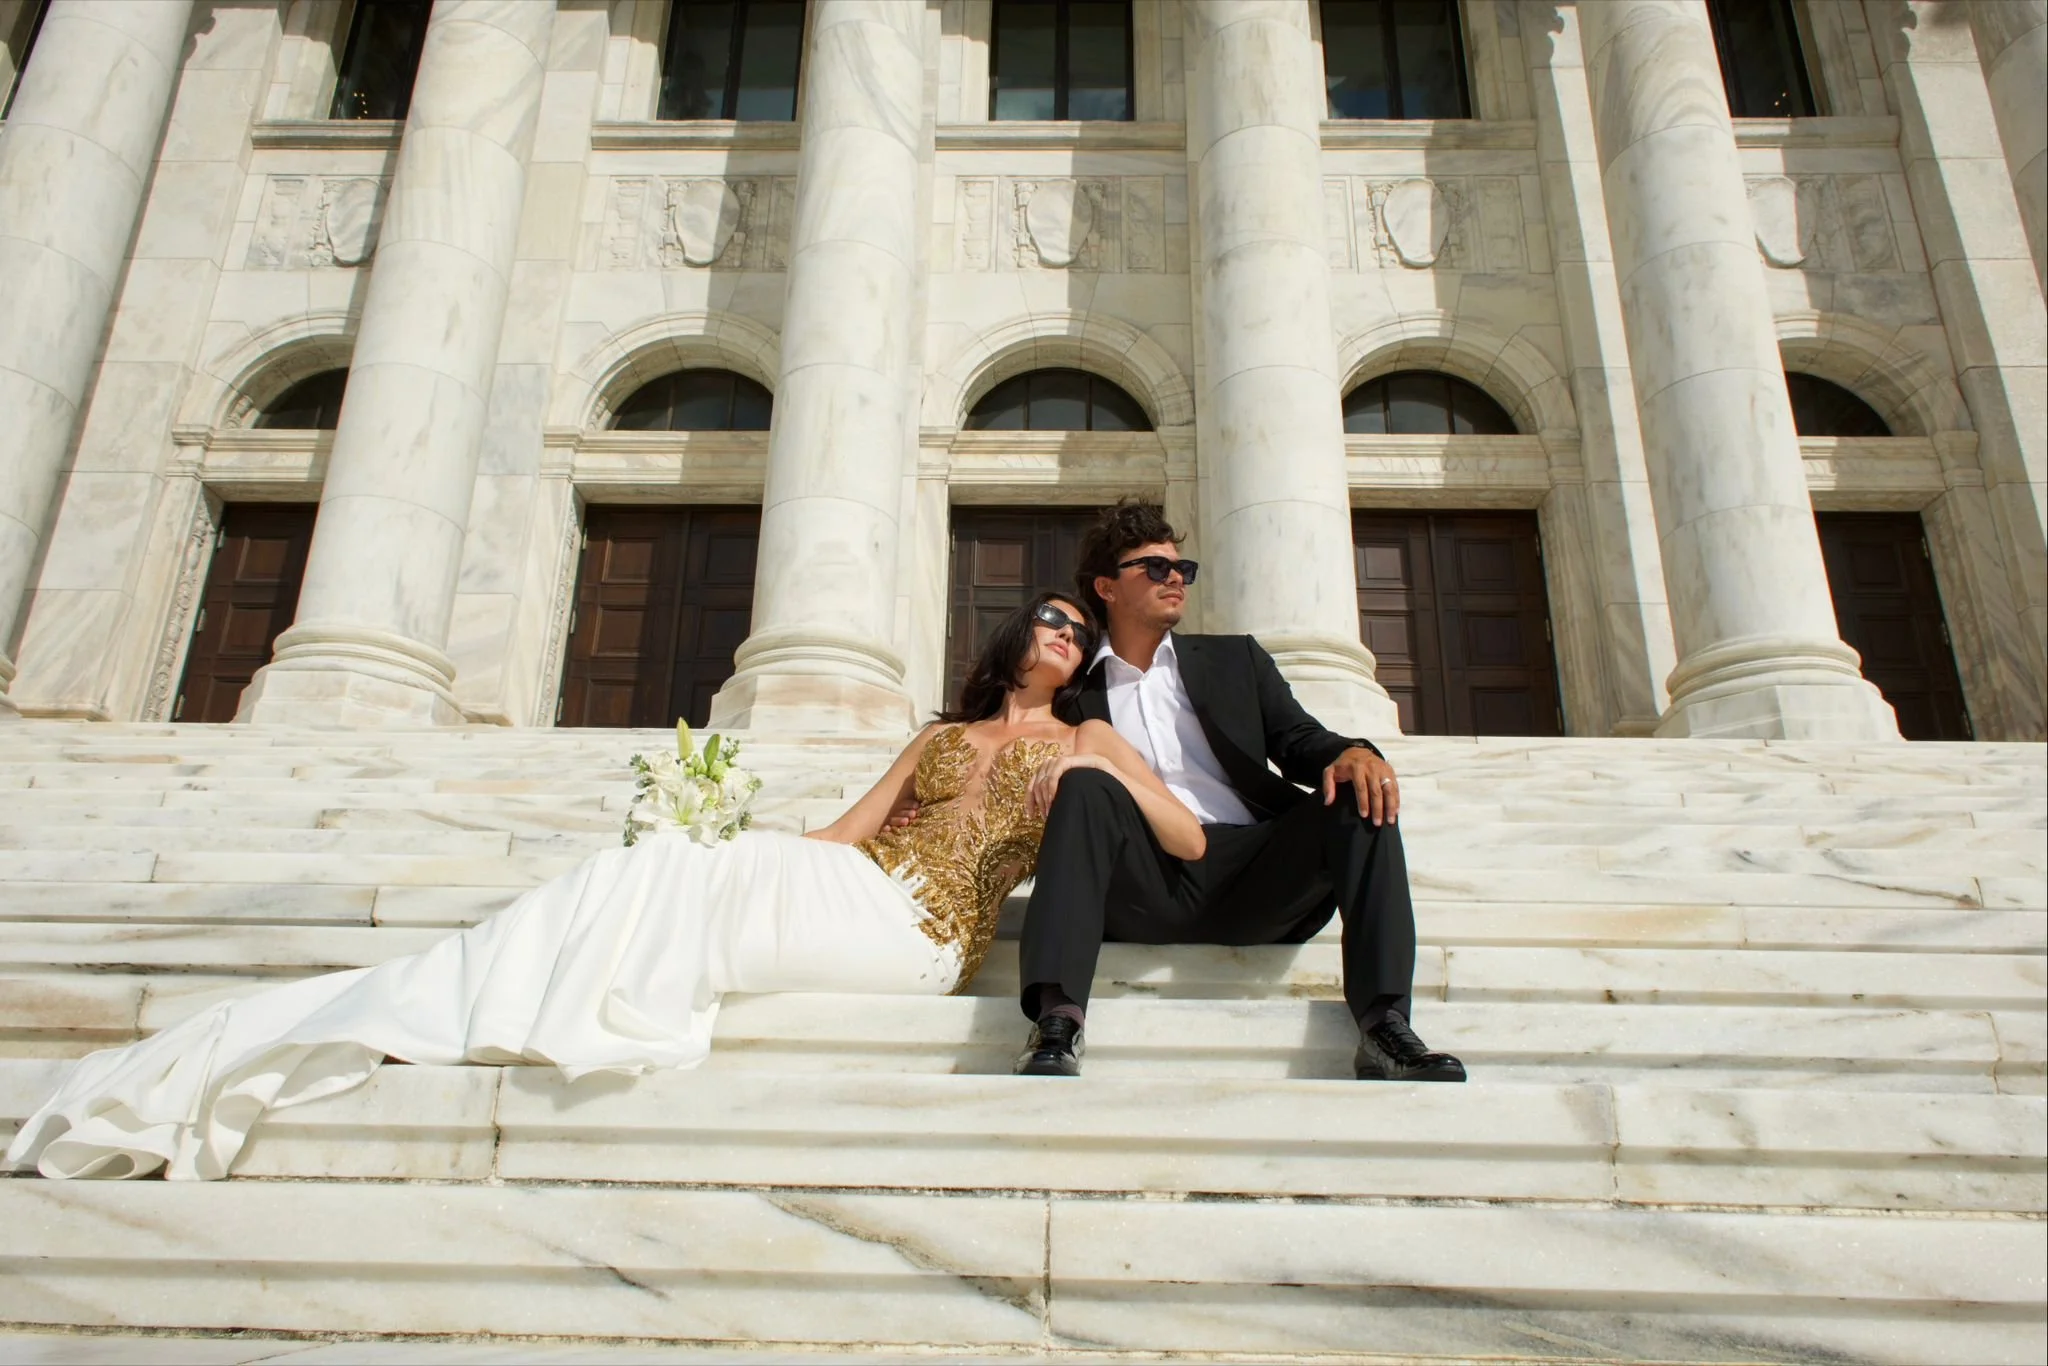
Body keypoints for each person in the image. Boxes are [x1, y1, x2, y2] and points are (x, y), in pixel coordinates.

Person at [6, 593, 1201, 1181]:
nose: (1056, 628)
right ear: (1012, 640)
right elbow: (841, 831)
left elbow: (1186, 839)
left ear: (1085, 657)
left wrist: (1110, 763)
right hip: (851, 885)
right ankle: (468, 994)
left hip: (925, 935)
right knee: (673, 860)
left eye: (1071, 625)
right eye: (1042, 617)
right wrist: (727, 826)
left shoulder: (1088, 747)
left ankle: (522, 993)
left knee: (686, 877)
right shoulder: (938, 733)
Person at [1012, 499, 1465, 1083]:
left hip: (1254, 874)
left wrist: (1353, 752)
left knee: (1358, 794)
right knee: (1085, 784)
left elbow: (1299, 740)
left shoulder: (1234, 659)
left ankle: (1385, 1027)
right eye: (1154, 568)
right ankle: (1058, 1020)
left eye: (1182, 569)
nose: (1175, 578)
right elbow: (1000, 739)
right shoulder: (1075, 689)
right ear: (1106, 586)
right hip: (1142, 881)